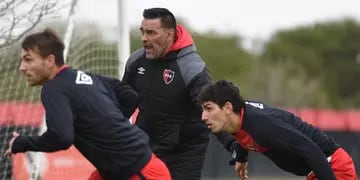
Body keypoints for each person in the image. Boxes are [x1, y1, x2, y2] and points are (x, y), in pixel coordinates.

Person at [4, 29, 171, 180]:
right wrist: (109, 122)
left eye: (28, 60)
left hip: (140, 173)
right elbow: (130, 96)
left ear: (49, 60)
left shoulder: (53, 88)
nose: (22, 67)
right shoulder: (87, 77)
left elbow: (61, 138)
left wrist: (22, 143)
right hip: (125, 169)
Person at [122, 7, 237, 179]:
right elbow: (123, 104)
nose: (144, 39)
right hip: (144, 149)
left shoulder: (191, 67)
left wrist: (233, 145)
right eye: (143, 32)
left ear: (169, 34)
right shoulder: (136, 61)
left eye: (152, 33)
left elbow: (213, 110)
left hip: (184, 156)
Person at [198, 80, 358, 180]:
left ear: (227, 107)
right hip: (319, 167)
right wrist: (241, 157)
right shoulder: (239, 117)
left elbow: (310, 149)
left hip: (332, 165)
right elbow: (243, 134)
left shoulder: (262, 125)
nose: (204, 116)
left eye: (208, 108)